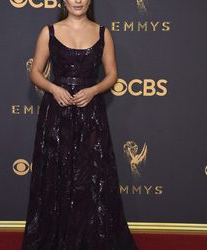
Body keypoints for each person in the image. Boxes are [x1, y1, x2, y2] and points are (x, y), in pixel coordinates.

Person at [21, 0, 138, 249]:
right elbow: (35, 72)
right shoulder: (48, 31)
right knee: (56, 173)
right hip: (57, 113)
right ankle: (55, 237)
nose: (78, 0)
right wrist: (54, 88)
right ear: (64, 0)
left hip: (90, 113)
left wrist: (93, 90)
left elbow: (112, 75)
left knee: (93, 175)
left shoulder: (103, 32)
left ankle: (90, 238)